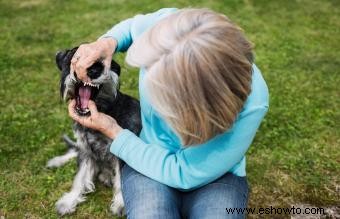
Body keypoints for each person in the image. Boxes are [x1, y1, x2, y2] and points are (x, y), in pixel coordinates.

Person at [68, 8, 269, 219]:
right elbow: (131, 29)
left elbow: (183, 173)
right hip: (145, 154)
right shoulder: (174, 29)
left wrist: (115, 132)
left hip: (217, 177)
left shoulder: (252, 102)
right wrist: (107, 43)